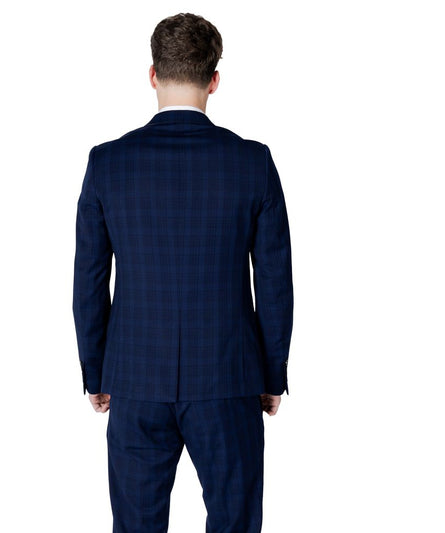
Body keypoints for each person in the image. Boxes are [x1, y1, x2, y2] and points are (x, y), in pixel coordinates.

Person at [72, 12, 294, 533]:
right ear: (214, 79)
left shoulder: (107, 164)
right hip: (229, 379)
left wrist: (95, 371)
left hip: (134, 379)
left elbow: (89, 282)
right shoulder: (253, 163)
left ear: (153, 74)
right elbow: (275, 282)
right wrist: (272, 375)